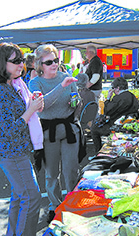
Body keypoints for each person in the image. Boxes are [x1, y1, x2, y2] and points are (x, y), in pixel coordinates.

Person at [0, 42, 44, 236]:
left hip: (16, 150)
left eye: (21, 59)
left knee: (20, 195)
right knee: (31, 196)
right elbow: (10, 129)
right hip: (11, 151)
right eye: (16, 60)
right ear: (2, 63)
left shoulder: (10, 84)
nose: (21, 64)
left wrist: (31, 102)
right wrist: (31, 109)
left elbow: (19, 114)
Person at [29, 44, 84, 223]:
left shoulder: (65, 77)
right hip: (48, 132)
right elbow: (42, 106)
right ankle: (55, 207)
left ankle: (72, 205)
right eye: (49, 62)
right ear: (40, 65)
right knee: (52, 173)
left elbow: (75, 100)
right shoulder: (35, 82)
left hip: (69, 129)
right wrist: (61, 86)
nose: (54, 64)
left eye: (56, 60)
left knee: (71, 171)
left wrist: (76, 102)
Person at [90, 77, 139, 153]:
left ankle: (98, 152)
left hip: (117, 127)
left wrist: (108, 98)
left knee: (94, 129)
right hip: (130, 124)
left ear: (118, 88)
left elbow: (107, 111)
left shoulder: (118, 98)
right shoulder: (132, 96)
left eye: (113, 88)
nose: (113, 90)